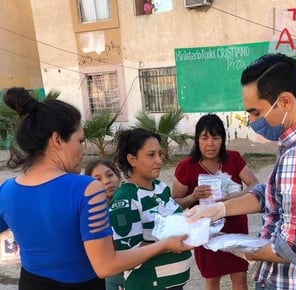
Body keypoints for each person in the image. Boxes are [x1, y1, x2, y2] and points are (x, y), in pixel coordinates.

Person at [184, 53, 296, 290]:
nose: (252, 121)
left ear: (284, 102)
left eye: (256, 112)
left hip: (290, 282)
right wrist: (218, 209)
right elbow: (275, 193)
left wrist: (247, 250)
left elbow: (293, 247)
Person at [0, 87, 192, 290]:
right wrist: (164, 245)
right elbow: (106, 266)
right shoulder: (85, 189)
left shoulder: (7, 190)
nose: (82, 149)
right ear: (57, 140)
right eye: (80, 140)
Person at [172, 113, 259, 290]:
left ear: (223, 139)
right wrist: (193, 197)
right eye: (204, 138)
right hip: (206, 233)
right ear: (197, 140)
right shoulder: (186, 167)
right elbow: (175, 203)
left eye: (215, 138)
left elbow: (254, 185)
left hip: (236, 229)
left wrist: (233, 198)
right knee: (212, 280)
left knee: (240, 279)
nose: (210, 144)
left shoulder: (234, 158)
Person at [109, 128, 192, 290]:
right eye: (151, 155)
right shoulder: (126, 199)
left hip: (174, 284)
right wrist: (166, 244)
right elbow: (128, 251)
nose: (159, 160)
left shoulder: (160, 188)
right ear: (132, 159)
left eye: (159, 154)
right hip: (149, 284)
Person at [84, 159, 125, 290]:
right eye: (98, 179)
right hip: (112, 275)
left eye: (109, 175)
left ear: (118, 176)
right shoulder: (92, 213)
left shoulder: (133, 200)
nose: (106, 181)